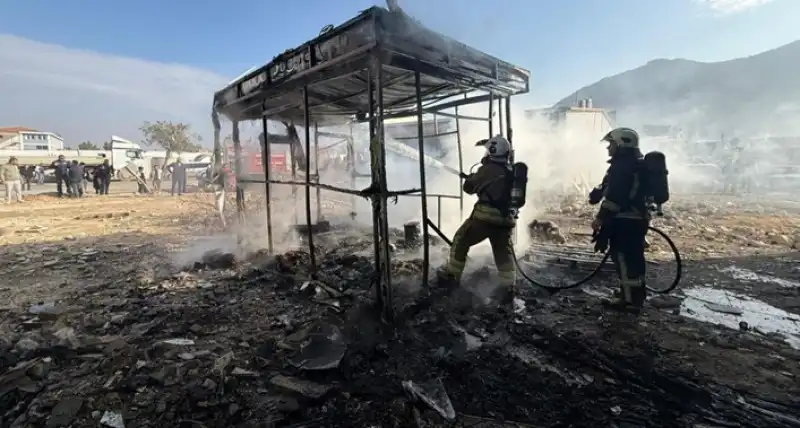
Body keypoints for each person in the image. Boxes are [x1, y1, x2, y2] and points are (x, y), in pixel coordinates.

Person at [437, 135, 517, 302]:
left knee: (461, 239)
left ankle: (452, 277)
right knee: (503, 253)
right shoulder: (511, 171)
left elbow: (469, 188)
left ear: (491, 152)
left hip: (484, 219)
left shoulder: (487, 169)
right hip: (506, 221)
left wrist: (472, 177)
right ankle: (508, 287)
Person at [590, 127, 649, 312]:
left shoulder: (622, 166)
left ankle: (629, 301)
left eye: (611, 144)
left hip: (625, 220)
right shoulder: (634, 163)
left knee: (624, 259)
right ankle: (632, 294)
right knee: (634, 260)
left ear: (621, 144)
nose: (608, 149)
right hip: (636, 219)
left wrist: (600, 219)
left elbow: (614, 198)